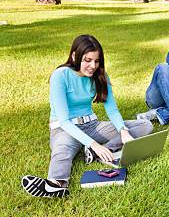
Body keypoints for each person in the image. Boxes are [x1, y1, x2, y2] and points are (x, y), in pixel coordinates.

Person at [21, 35, 153, 198]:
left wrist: (123, 131)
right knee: (62, 151)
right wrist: (94, 144)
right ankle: (55, 184)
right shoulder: (60, 75)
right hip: (64, 129)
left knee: (144, 126)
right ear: (74, 56)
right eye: (87, 60)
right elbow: (63, 120)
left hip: (92, 125)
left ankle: (101, 153)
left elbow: (112, 110)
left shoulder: (100, 76)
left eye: (96, 61)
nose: (92, 66)